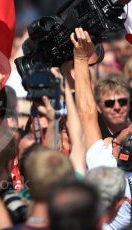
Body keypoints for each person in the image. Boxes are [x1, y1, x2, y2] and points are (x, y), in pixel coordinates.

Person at [72, 27, 132, 229]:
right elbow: (89, 112)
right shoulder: (103, 157)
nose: (117, 107)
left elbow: (86, 113)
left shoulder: (102, 159)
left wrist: (80, 60)